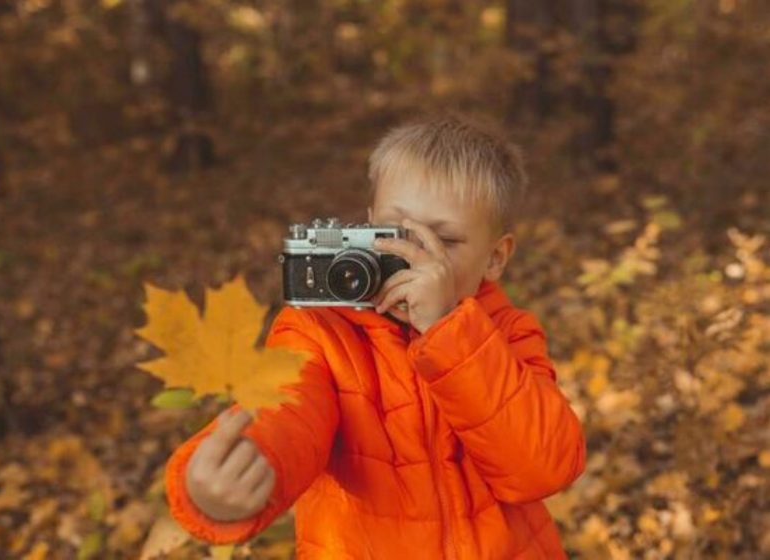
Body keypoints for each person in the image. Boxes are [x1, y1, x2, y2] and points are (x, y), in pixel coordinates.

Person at [164, 113, 586, 558]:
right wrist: (238, 471)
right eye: (395, 233)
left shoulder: (506, 335)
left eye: (446, 240)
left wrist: (449, 332)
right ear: (367, 226)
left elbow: (544, 468)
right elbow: (289, 413)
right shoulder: (319, 332)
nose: (414, 256)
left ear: (495, 258)